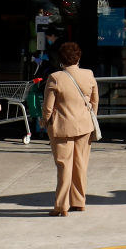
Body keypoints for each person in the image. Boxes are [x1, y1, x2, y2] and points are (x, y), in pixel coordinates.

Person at [43, 42, 98, 215]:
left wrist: (44, 122)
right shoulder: (88, 74)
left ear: (61, 59)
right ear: (78, 57)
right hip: (84, 126)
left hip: (62, 128)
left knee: (64, 166)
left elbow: (48, 108)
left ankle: (61, 205)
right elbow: (94, 101)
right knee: (80, 164)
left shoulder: (55, 78)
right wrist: (90, 117)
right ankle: (79, 201)